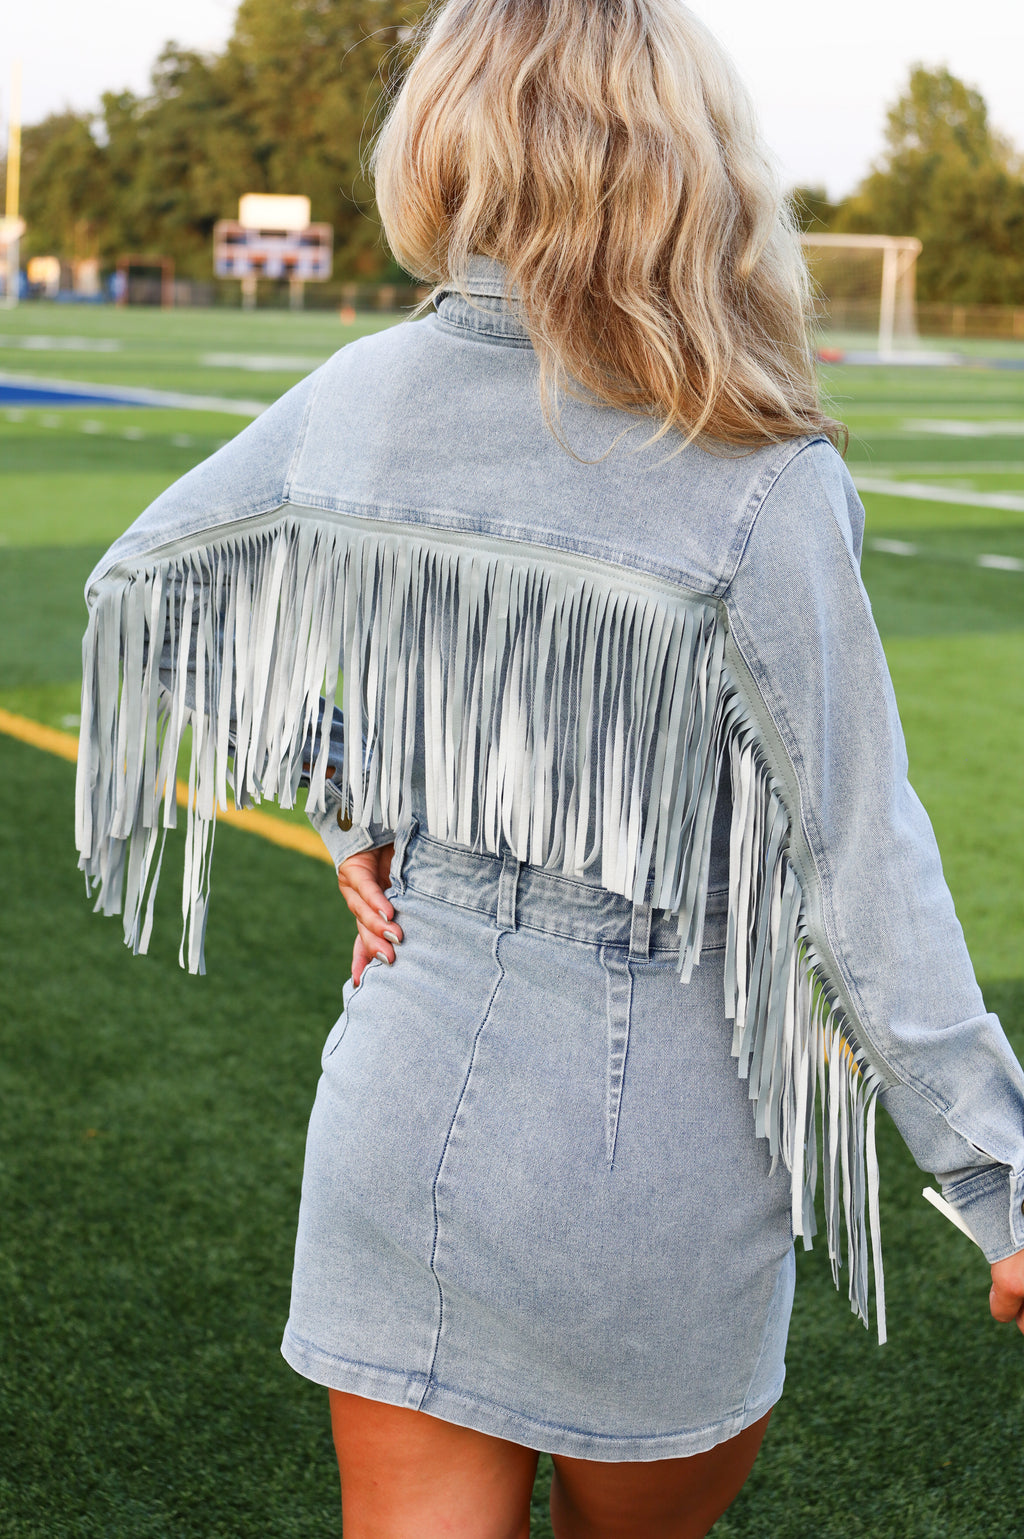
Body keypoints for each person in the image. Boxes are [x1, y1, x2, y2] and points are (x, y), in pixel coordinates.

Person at [75, 2, 1024, 1535]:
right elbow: (857, 854)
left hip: (395, 1091)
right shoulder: (758, 469)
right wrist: (1000, 1180)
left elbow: (144, 592)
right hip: (648, 1151)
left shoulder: (361, 395)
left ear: (446, 138)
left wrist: (350, 802)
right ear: (690, 164)